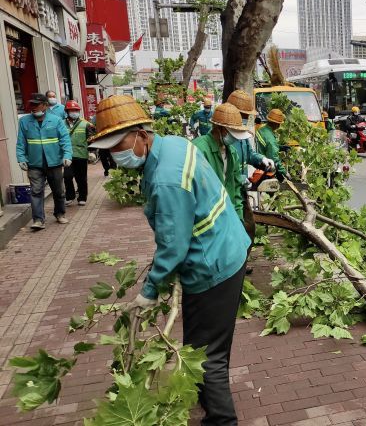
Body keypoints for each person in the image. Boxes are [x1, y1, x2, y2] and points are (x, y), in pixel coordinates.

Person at [89, 95, 250, 426]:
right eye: (109, 148)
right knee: (204, 347)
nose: (115, 154)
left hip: (213, 264)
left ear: (141, 134)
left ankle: (222, 420)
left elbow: (174, 246)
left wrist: (149, 291)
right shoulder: (175, 144)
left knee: (205, 357)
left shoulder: (165, 179)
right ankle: (210, 404)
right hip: (224, 249)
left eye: (119, 144)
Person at [193, 103, 273, 220]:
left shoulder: (231, 152)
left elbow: (235, 191)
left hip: (227, 212)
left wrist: (238, 221)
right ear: (221, 129)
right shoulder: (199, 150)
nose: (235, 138)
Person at [16, 93, 72, 230]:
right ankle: (38, 220)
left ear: (45, 106)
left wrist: (67, 155)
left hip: (54, 162)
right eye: (32, 105)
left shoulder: (56, 120)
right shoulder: (24, 121)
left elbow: (65, 139)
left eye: (37, 104)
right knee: (36, 191)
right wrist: (21, 158)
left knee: (58, 191)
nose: (33, 107)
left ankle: (60, 213)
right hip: (34, 163)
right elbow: (21, 142)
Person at [226, 90, 269, 172]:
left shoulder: (242, 134)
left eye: (247, 116)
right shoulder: (223, 136)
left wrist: (261, 159)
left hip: (242, 183)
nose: (246, 120)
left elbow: (249, 154)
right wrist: (240, 179)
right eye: (243, 116)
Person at [63, 100, 93, 206]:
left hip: (81, 154)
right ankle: (70, 195)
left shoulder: (86, 124)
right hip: (67, 155)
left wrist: (92, 152)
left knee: (81, 178)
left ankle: (82, 197)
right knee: (67, 176)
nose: (74, 112)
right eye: (72, 110)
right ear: (67, 111)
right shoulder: (61, 124)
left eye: (76, 110)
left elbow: (91, 139)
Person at [255, 108, 287, 180]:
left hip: (257, 160)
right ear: (276, 124)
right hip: (261, 166)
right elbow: (274, 157)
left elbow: (265, 145)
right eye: (279, 124)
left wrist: (280, 147)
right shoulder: (271, 139)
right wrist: (284, 172)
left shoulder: (262, 130)